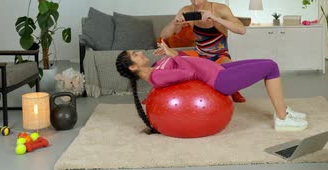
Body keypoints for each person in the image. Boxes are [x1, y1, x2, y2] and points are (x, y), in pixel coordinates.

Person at [115, 41, 308, 134]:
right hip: (219, 79)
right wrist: (173, 55)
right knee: (271, 67)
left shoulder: (157, 66)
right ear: (133, 67)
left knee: (268, 62)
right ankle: (282, 118)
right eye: (135, 54)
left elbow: (185, 60)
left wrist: (172, 52)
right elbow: (187, 73)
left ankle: (281, 111)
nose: (140, 52)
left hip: (218, 68)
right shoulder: (156, 76)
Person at [160, 0, 248, 103]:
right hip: (199, 55)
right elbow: (163, 35)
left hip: (220, 54)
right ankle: (157, 92)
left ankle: (234, 90)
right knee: (169, 62)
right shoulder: (187, 10)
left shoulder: (220, 9)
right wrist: (175, 23)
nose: (196, 2)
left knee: (227, 69)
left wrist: (215, 19)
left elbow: (241, 30)